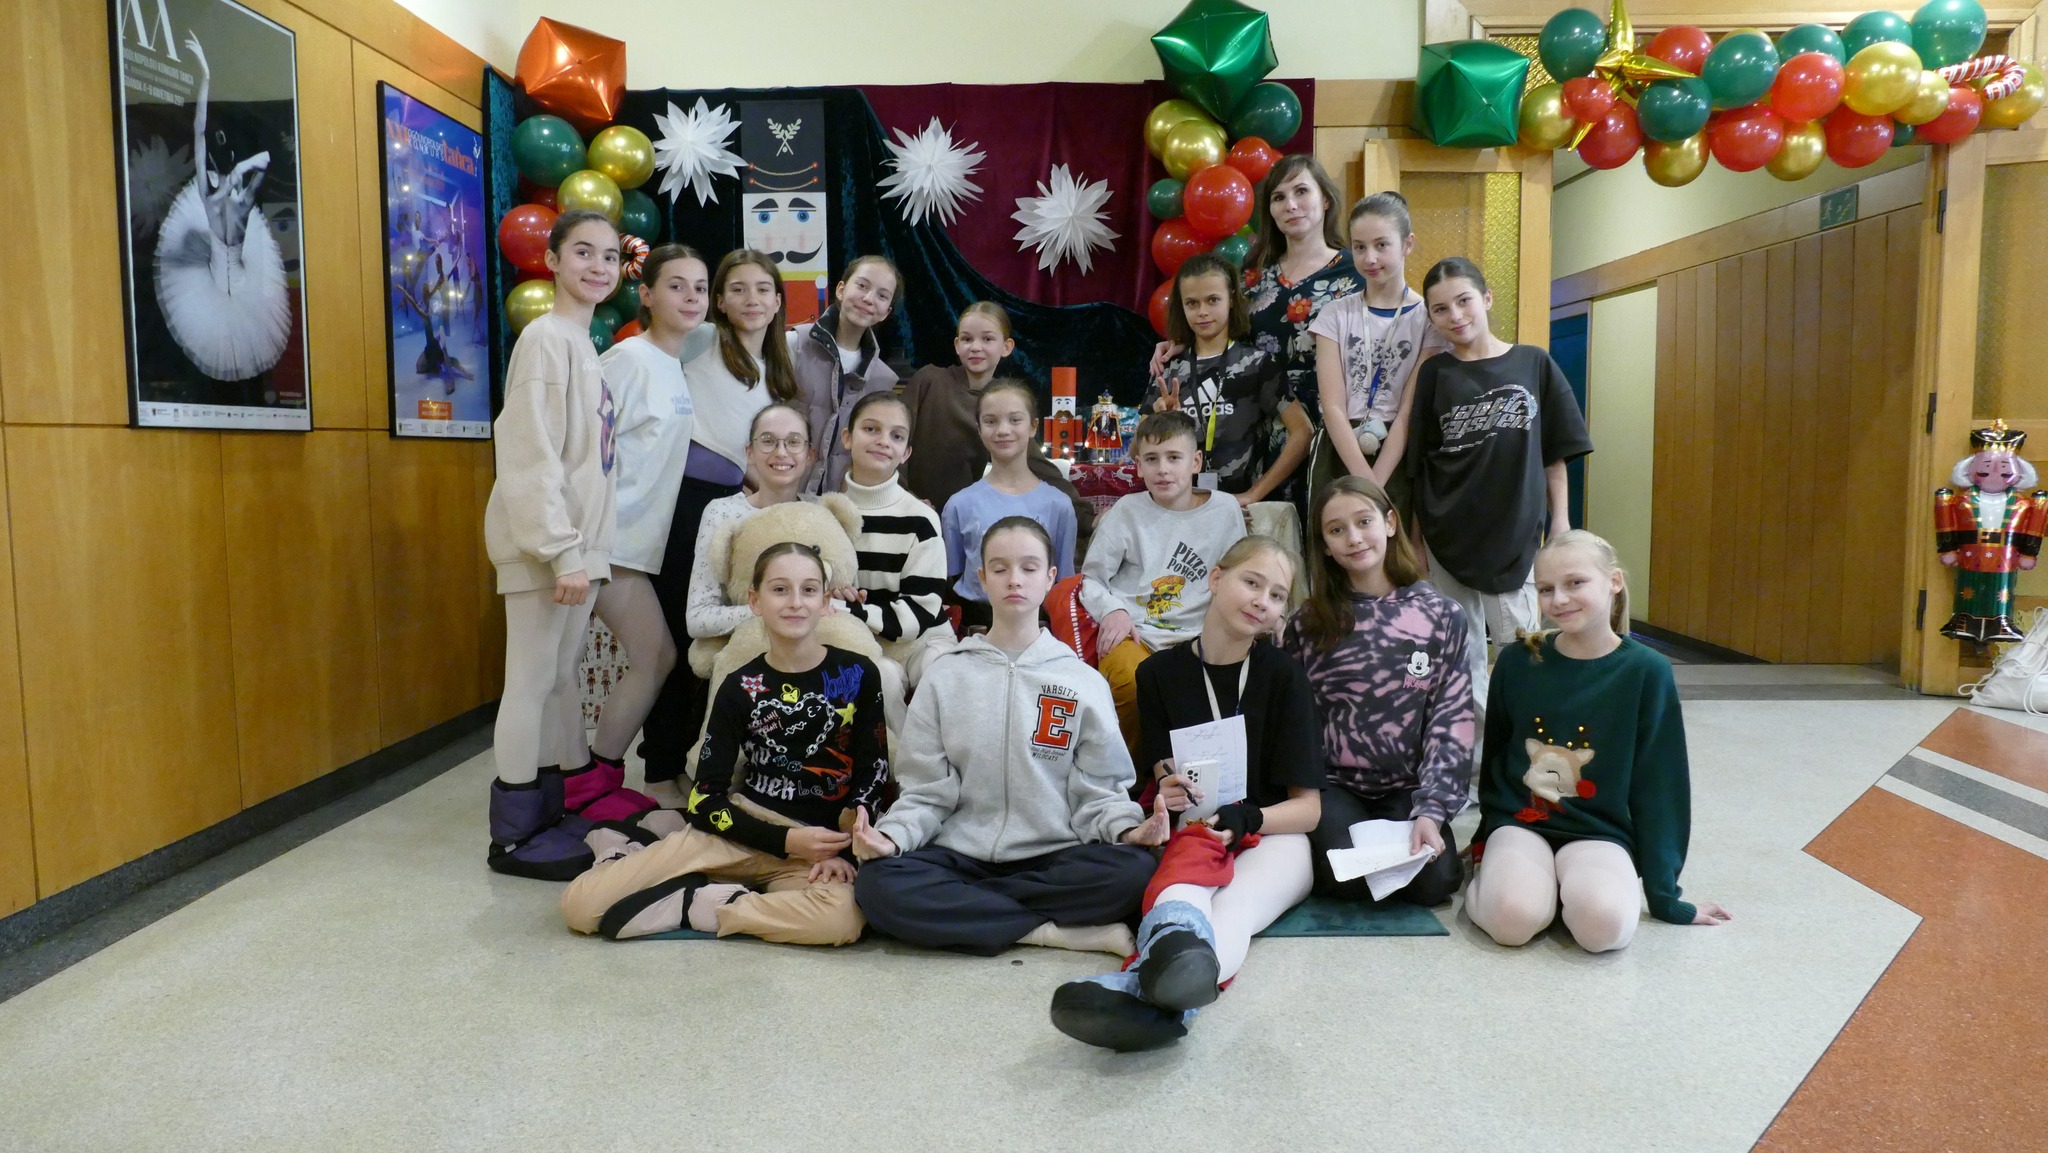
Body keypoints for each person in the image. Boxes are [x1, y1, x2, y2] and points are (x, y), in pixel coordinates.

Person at [1051, 536, 1323, 1052]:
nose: (1262, 601)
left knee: (1232, 914)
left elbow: (1308, 811)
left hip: (1276, 838)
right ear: (1216, 578)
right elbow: (1162, 766)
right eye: (1252, 582)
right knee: (1179, 893)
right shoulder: (1157, 674)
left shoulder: (1285, 677)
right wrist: (1167, 788)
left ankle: (1135, 991)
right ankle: (1162, 1012)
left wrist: (1251, 818)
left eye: (1277, 595)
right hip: (1199, 830)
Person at [850, 517, 1170, 955]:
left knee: (1133, 872)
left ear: (1050, 578)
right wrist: (892, 837)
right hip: (961, 855)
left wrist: (1128, 830)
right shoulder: (946, 675)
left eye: (1028, 567)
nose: (1014, 579)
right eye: (1000, 569)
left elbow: (1100, 791)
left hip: (1056, 855)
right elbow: (924, 792)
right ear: (982, 579)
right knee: (878, 885)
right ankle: (1050, 932)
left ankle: (979, 917)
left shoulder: (1082, 681)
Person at [558, 543, 887, 945]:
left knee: (839, 921)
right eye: (780, 589)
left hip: (814, 852)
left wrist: (846, 848)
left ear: (824, 601)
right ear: (755, 601)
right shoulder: (740, 686)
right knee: (580, 906)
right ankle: (641, 854)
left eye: (808, 590)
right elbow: (705, 801)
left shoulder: (858, 673)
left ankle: (702, 906)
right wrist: (783, 840)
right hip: (739, 832)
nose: (795, 602)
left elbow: (873, 775)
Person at [1465, 531, 1731, 952]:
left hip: (1600, 831)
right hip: (1521, 823)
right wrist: (1485, 839)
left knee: (1603, 929)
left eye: (1575, 583)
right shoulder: (1517, 661)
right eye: (1546, 589)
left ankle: (1561, 893)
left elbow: (1660, 785)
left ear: (1614, 582)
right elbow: (1496, 756)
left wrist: (1665, 896)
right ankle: (1518, 887)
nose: (1559, 599)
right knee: (1512, 921)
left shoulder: (1647, 672)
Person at [480, 209, 620, 880]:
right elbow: (529, 452)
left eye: (610, 256)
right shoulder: (543, 339)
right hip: (546, 547)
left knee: (559, 681)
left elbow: (592, 463)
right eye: (583, 252)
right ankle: (511, 836)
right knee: (530, 682)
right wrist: (562, 549)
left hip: (578, 547)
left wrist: (588, 552)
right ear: (554, 261)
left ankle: (545, 812)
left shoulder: (582, 344)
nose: (598, 266)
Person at [638, 250, 794, 802]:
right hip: (687, 505)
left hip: (741, 508)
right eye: (738, 289)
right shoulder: (702, 339)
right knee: (684, 636)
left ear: (778, 301)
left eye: (763, 289)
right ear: (720, 301)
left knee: (720, 643)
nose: (752, 299)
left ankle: (700, 762)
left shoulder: (779, 366)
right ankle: (658, 768)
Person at [1408, 256, 1593, 720]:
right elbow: (1419, 464)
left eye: (1464, 301)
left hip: (1516, 536)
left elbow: (1555, 453)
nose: (1455, 316)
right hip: (1447, 535)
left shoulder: (1533, 362)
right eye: (1440, 309)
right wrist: (1415, 540)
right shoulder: (1434, 373)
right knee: (1460, 660)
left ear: (1487, 299)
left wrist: (1562, 522)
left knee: (1524, 653)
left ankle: (1520, 748)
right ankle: (1473, 757)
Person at [1287, 476, 1474, 905]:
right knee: (1339, 874)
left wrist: (1432, 810)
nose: (1353, 538)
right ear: (1324, 545)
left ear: (1390, 523)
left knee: (1437, 880)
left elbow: (1451, 723)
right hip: (1333, 786)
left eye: (1364, 521)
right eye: (1336, 530)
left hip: (1408, 788)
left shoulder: (1442, 616)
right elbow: (1293, 723)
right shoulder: (1308, 623)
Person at [576, 244, 710, 821]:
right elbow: (583, 445)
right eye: (676, 286)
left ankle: (596, 778)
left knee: (657, 657)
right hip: (605, 542)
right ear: (647, 295)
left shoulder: (674, 365)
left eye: (700, 287)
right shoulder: (628, 359)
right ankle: (591, 781)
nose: (691, 297)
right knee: (654, 657)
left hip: (635, 546)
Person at [1079, 410, 1246, 751]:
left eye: (1174, 457)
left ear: (1195, 462)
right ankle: (1128, 775)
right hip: (1137, 633)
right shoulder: (1127, 511)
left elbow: (1239, 576)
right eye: (1152, 459)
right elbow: (1091, 579)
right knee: (1130, 682)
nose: (1163, 469)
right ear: (1138, 466)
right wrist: (1113, 611)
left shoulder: (1225, 510)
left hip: (1201, 637)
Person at [1308, 192, 1446, 524]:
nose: (1370, 258)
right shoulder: (1334, 314)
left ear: (1407, 244)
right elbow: (1333, 407)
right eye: (1359, 247)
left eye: (1382, 245)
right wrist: (1362, 483)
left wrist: (1375, 486)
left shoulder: (1428, 317)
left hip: (1399, 451)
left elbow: (1408, 412)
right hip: (1341, 448)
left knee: (1396, 548)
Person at [899, 301, 1094, 531]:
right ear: (957, 345)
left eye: (987, 339)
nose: (975, 347)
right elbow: (895, 441)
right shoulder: (930, 381)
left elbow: (1038, 467)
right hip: (910, 515)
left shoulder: (1004, 401)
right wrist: (906, 500)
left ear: (1007, 347)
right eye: (967, 339)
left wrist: (1088, 519)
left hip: (962, 523)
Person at [1144, 253, 1306, 507]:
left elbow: (1304, 432)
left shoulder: (1257, 363)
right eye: (1192, 303)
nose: (1203, 312)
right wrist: (1161, 422)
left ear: (1231, 298)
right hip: (1179, 509)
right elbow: (1137, 451)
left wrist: (1255, 494)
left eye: (1213, 300)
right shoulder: (1169, 367)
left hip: (1240, 510)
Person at [939, 381, 1077, 632]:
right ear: (979, 429)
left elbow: (1063, 582)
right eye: (991, 421)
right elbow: (953, 575)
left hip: (1038, 630)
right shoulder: (960, 504)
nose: (1003, 430)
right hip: (976, 628)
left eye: (1015, 420)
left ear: (1033, 426)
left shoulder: (1059, 505)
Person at [837, 391, 953, 685]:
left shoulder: (921, 519)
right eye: (871, 429)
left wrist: (854, 610)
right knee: (879, 676)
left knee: (941, 671)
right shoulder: (829, 514)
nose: (883, 441)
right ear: (847, 438)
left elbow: (919, 611)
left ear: (906, 453)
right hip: (856, 640)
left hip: (921, 641)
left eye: (897, 436)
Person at [686, 404, 823, 648]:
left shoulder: (821, 514)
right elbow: (698, 617)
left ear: (810, 455)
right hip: (745, 653)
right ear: (749, 452)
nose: (781, 452)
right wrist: (775, 610)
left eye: (793, 442)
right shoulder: (723, 512)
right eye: (768, 441)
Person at [787, 255, 902, 495]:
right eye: (862, 286)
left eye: (882, 296)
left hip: (838, 501)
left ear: (886, 312)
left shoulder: (883, 379)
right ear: (841, 289)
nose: (868, 299)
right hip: (782, 491)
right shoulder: (795, 344)